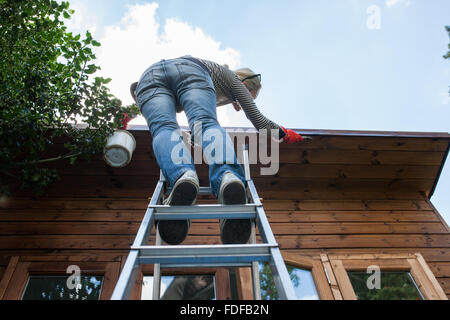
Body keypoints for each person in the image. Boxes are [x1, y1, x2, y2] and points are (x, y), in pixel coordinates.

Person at [130, 55, 303, 246]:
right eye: (250, 95)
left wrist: (132, 108)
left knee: (163, 129)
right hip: (191, 70)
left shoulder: (217, 78)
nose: (240, 106)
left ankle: (182, 175)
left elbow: (137, 90)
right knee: (207, 123)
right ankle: (228, 175)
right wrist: (285, 134)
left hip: (149, 77)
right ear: (245, 84)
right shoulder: (232, 79)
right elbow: (258, 120)